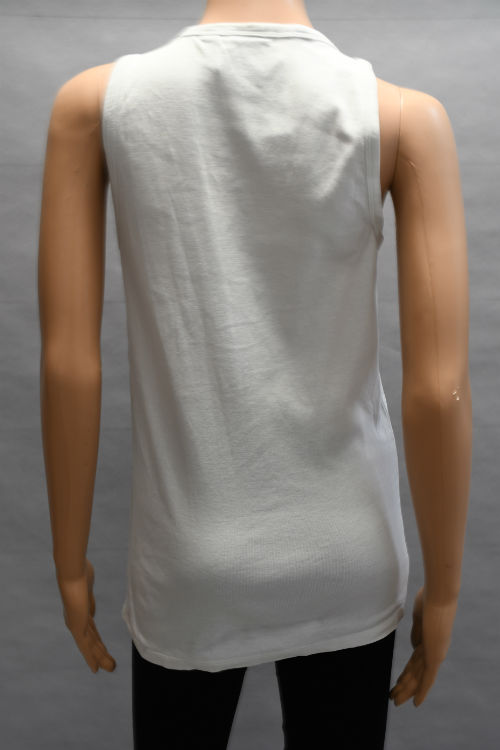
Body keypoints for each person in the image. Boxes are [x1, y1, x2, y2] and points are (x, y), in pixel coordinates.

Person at [38, 0, 472, 747]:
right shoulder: (403, 117)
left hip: (189, 558)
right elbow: (439, 391)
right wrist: (446, 587)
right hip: (350, 555)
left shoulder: (97, 104)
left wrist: (69, 565)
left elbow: (68, 364)